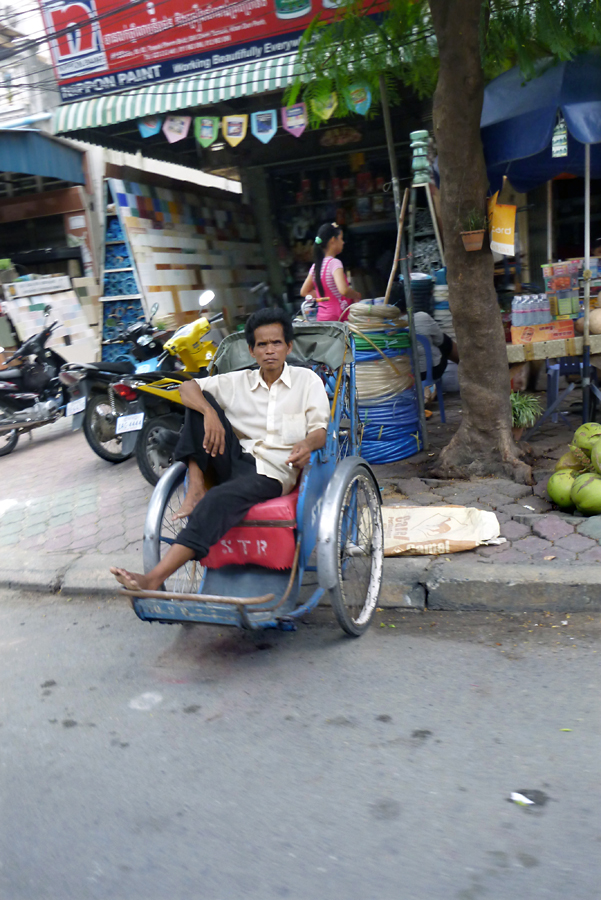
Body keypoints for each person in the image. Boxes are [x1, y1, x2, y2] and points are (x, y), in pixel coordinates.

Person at [111, 308, 330, 592]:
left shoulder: (306, 381)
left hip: (274, 470)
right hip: (235, 458)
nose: (269, 351)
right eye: (262, 345)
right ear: (252, 351)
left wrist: (306, 443)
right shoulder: (240, 381)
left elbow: (320, 432)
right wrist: (209, 412)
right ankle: (196, 486)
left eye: (276, 343)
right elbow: (188, 387)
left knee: (218, 499)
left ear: (288, 346)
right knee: (199, 399)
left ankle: (154, 577)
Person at [391, 287, 459, 382]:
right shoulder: (422, 317)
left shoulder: (386, 326)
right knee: (444, 341)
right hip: (428, 372)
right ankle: (467, 367)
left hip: (401, 373)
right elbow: (440, 341)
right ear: (411, 299)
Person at [300, 222, 362, 322]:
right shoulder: (334, 263)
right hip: (339, 318)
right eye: (341, 239)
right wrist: (356, 295)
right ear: (333, 240)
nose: (343, 242)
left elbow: (304, 292)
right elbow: (344, 291)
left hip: (322, 318)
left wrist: (324, 296)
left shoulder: (316, 266)